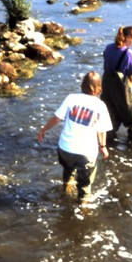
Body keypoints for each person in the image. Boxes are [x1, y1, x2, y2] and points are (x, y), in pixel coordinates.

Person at [37, 71, 113, 203]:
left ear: (82, 85)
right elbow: (101, 131)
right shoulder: (100, 106)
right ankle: (83, 205)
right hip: (86, 152)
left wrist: (43, 130)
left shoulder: (71, 98)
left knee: (68, 169)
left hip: (65, 148)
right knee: (85, 183)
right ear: (99, 88)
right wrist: (103, 146)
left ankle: (66, 186)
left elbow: (56, 118)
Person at [101, 25, 132, 145]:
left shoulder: (108, 48)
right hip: (122, 89)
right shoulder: (129, 53)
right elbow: (131, 77)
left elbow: (112, 65)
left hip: (107, 86)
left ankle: (107, 145)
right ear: (127, 37)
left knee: (111, 119)